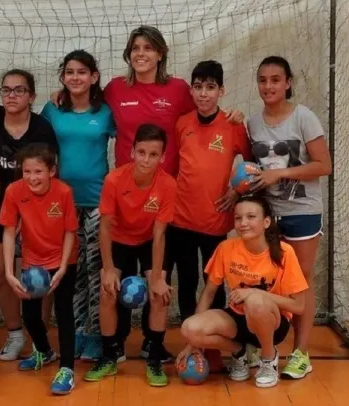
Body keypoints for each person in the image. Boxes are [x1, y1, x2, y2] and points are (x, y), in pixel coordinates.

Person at [50, 26, 244, 361]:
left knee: (161, 278)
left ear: (160, 53)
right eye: (136, 48)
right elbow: (85, 96)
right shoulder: (115, 89)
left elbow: (206, 111)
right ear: (129, 54)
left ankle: (161, 343)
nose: (141, 54)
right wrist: (62, 93)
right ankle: (117, 343)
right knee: (120, 277)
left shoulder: (179, 89)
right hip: (125, 198)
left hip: (167, 201)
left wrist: (234, 115)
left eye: (148, 48)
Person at [246, 56, 332, 379]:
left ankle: (301, 353)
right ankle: (265, 346)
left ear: (288, 82)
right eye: (263, 80)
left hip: (302, 211)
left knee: (300, 280)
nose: (268, 86)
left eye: (275, 80)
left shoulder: (303, 117)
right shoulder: (253, 123)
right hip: (270, 213)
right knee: (268, 278)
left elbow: (324, 165)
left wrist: (280, 174)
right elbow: (254, 169)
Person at [169, 60, 253, 371]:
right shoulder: (182, 124)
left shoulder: (233, 125)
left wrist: (236, 192)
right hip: (181, 220)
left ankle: (214, 345)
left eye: (210, 87)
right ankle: (193, 344)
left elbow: (251, 168)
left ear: (221, 91)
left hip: (215, 223)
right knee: (187, 282)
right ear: (191, 90)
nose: (204, 93)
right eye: (198, 87)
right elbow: (174, 168)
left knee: (213, 285)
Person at [177, 195, 309, 388]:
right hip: (237, 318)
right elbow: (208, 294)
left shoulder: (284, 252)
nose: (243, 223)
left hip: (271, 321)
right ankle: (240, 353)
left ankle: (268, 359)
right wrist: (192, 344)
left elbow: (299, 306)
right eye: (238, 218)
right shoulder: (226, 248)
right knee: (189, 329)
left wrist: (256, 294)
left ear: (266, 222)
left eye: (251, 217)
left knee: (255, 302)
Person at [0, 69, 60, 361]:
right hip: (1, 209)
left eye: (19, 90)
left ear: (31, 96)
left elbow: (52, 173)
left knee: (37, 277)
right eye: (6, 90)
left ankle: (40, 338)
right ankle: (14, 333)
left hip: (37, 211)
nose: (12, 95)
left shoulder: (42, 129)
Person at [84, 124, 176, 387]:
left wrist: (157, 278)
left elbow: (159, 234)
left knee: (159, 294)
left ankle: (154, 359)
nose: (146, 160)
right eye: (142, 152)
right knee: (107, 291)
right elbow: (104, 227)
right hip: (118, 240)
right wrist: (108, 269)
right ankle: (109, 356)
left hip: (149, 241)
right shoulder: (114, 179)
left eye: (153, 154)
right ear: (132, 152)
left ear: (163, 157)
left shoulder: (168, 184)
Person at [40, 49, 115, 361]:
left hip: (97, 202)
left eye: (82, 72)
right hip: (63, 203)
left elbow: (129, 143)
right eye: (69, 72)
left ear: (93, 77)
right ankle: (78, 331)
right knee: (71, 270)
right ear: (63, 77)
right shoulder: (52, 109)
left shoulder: (106, 112)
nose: (75, 77)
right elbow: (37, 144)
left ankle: (97, 333)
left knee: (95, 269)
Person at [0, 144, 78, 395]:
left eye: (38, 171)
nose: (32, 177)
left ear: (51, 171)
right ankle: (45, 351)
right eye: (27, 171)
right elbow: (9, 231)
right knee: (31, 316)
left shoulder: (64, 192)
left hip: (63, 260)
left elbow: (70, 231)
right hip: (33, 262)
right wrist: (9, 271)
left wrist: (63, 267)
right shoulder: (14, 191)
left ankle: (67, 369)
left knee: (64, 314)